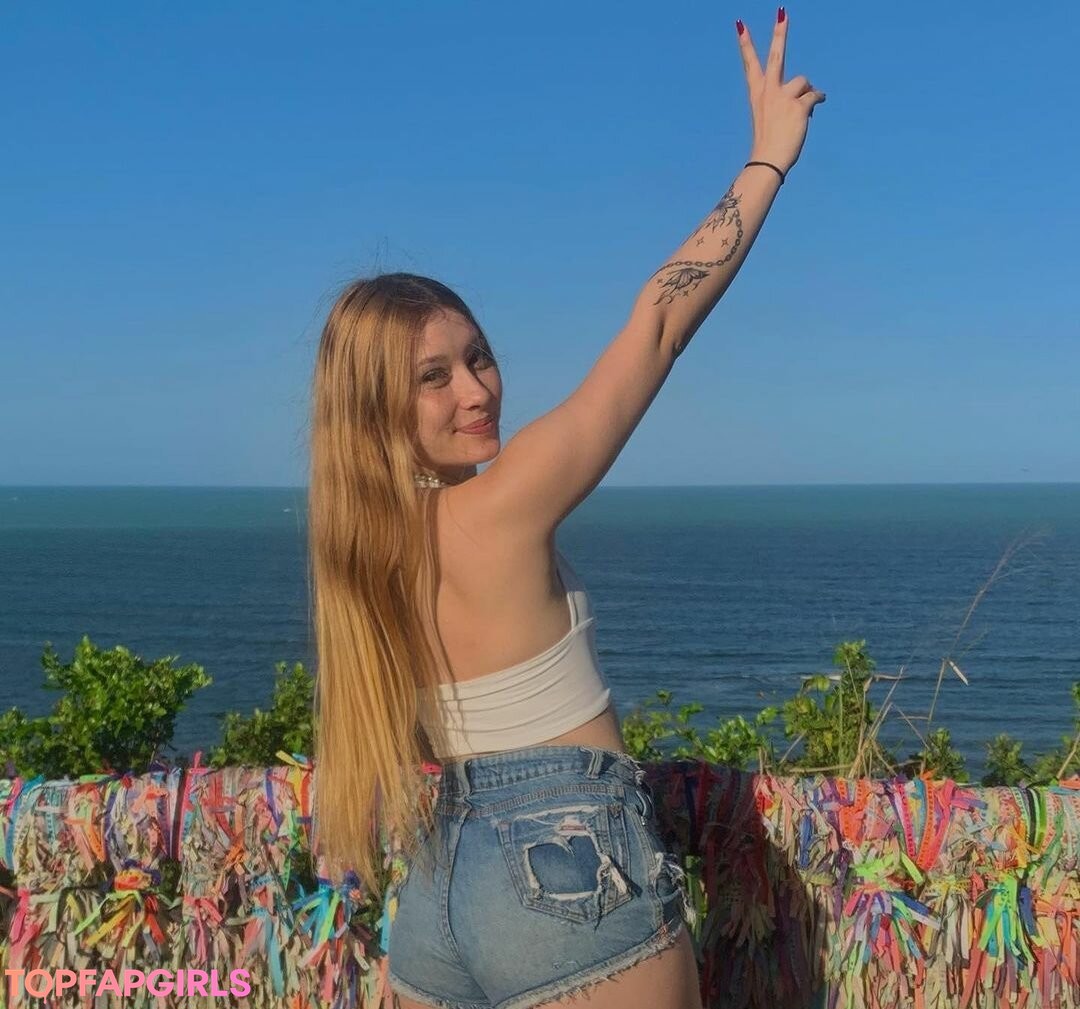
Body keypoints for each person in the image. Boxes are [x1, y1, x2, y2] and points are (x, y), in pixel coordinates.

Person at [307, 9, 825, 1009]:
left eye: (479, 356)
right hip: (568, 870)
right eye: (433, 377)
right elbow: (660, 323)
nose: (477, 390)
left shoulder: (362, 554)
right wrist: (767, 159)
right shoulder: (502, 503)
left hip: (442, 895)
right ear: (376, 407)